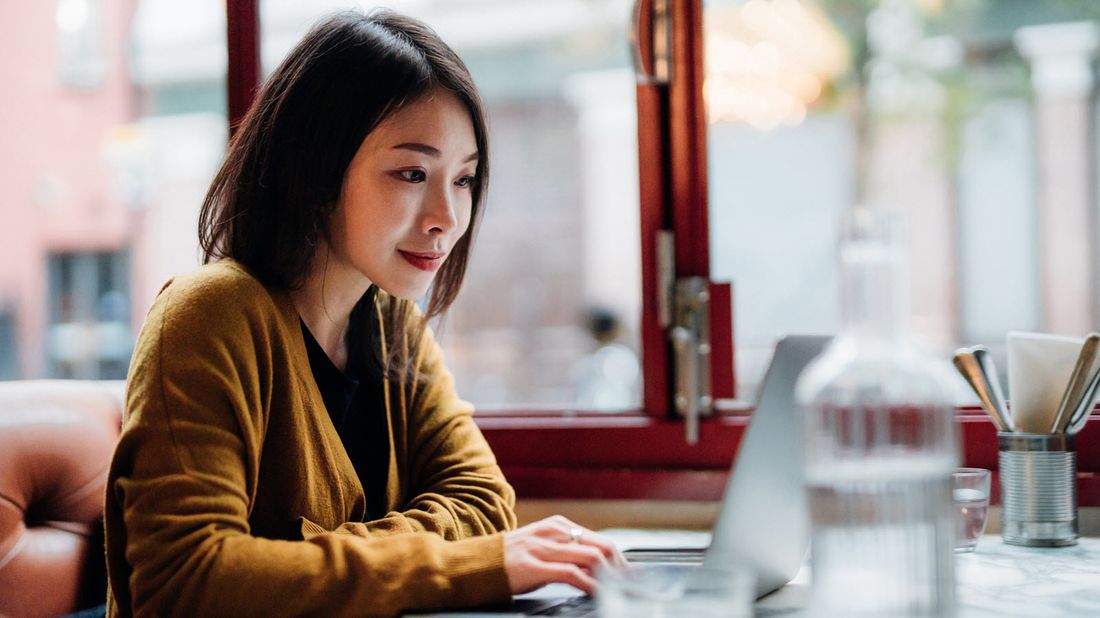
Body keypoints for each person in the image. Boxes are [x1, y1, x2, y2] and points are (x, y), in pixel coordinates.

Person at [103, 9, 623, 617]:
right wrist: (460, 562)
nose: (448, 218)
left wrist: (299, 558)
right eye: (412, 173)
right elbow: (188, 582)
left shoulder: (392, 322)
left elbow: (484, 503)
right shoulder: (209, 315)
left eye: (464, 179)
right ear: (316, 168)